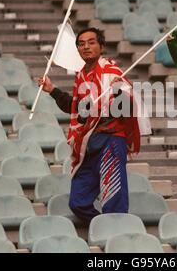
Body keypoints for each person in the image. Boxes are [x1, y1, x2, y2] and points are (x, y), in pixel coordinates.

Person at [38, 27, 143, 223]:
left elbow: (128, 107)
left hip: (111, 139)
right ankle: (103, 227)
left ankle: (115, 234)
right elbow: (76, 108)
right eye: (81, 43)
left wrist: (119, 90)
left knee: (114, 197)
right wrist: (51, 90)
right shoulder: (82, 76)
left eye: (91, 42)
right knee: (78, 202)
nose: (86, 47)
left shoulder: (112, 72)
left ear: (101, 47)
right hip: (88, 143)